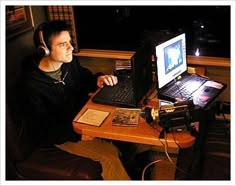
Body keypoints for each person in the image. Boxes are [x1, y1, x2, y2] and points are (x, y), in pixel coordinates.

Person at [22, 20, 130, 180]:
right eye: (62, 44)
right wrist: (78, 135)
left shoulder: (69, 63)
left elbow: (85, 78)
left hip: (83, 119)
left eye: (70, 42)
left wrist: (98, 79)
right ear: (44, 50)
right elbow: (42, 130)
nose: (71, 48)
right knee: (109, 158)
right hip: (62, 136)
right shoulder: (31, 85)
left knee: (124, 131)